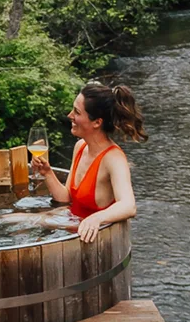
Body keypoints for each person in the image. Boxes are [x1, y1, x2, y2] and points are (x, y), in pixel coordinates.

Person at [31, 81, 146, 242]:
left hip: (89, 239)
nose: (70, 115)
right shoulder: (80, 147)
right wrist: (47, 173)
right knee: (7, 219)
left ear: (97, 122)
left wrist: (97, 218)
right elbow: (66, 198)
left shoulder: (114, 159)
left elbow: (129, 205)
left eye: (77, 112)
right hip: (70, 226)